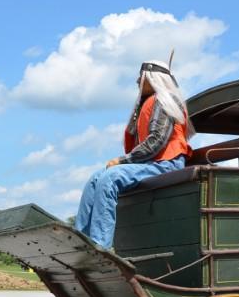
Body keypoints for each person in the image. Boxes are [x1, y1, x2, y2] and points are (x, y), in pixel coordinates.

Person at [74, 60, 193, 249]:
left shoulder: (164, 100)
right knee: (95, 179)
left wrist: (122, 161)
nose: (138, 80)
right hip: (152, 163)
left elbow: (156, 142)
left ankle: (99, 246)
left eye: (142, 76)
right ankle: (80, 241)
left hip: (166, 163)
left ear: (153, 78)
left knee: (109, 178)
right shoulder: (148, 103)